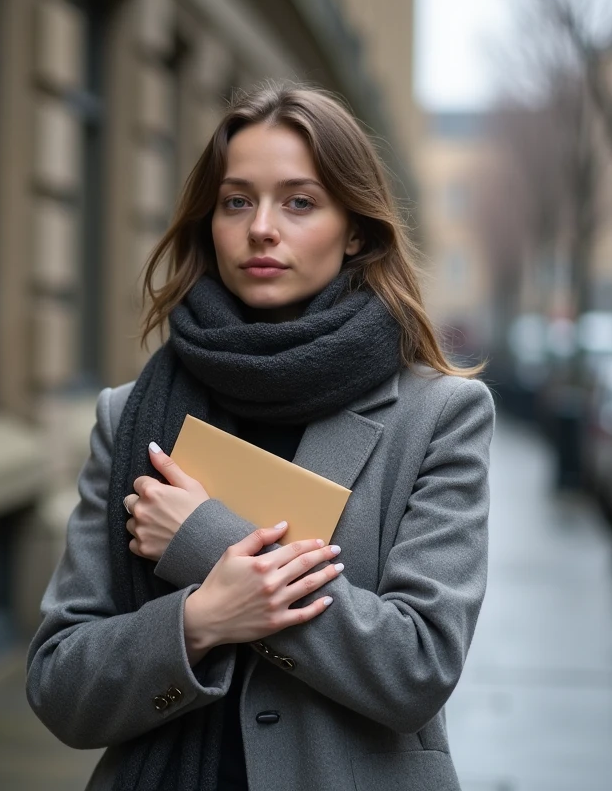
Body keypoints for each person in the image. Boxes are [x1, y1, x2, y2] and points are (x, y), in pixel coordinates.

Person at [26, 81, 494, 791]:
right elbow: (61, 685)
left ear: (357, 229)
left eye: (299, 202)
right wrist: (196, 624)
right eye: (237, 201)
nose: (262, 228)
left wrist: (206, 542)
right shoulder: (131, 416)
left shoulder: (438, 416)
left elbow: (416, 667)